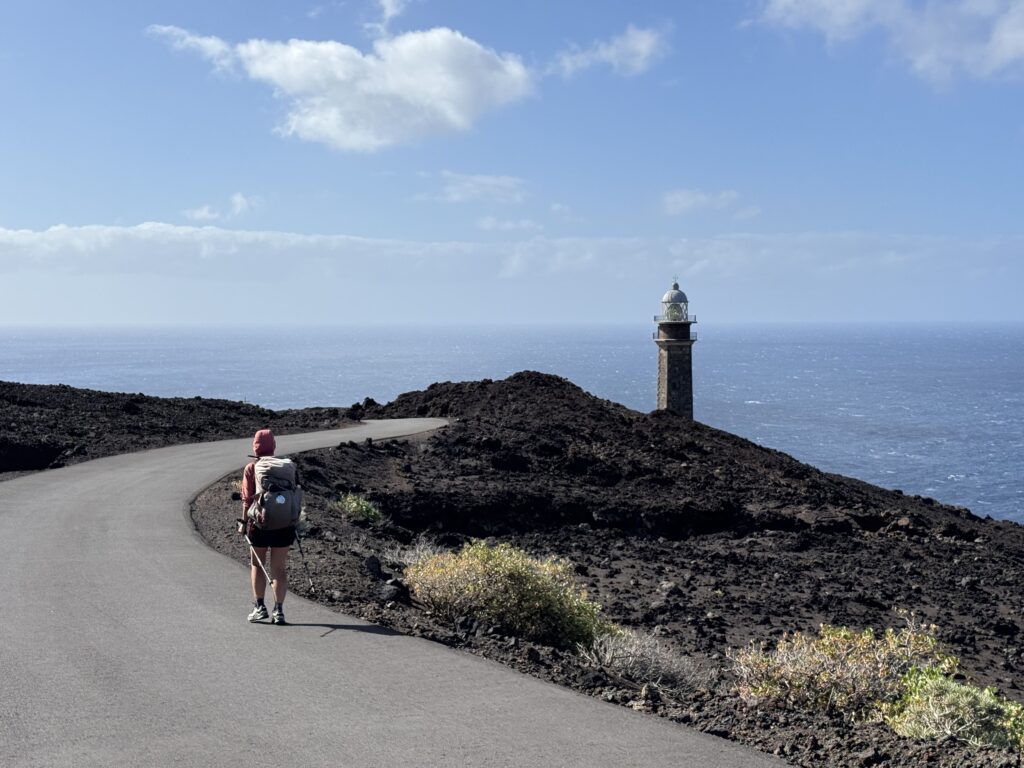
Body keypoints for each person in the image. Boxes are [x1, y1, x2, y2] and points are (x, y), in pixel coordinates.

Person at [240, 428, 296, 625]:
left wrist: (243, 524)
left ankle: (259, 607)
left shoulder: (251, 468)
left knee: (257, 564)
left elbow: (247, 501)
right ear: (273, 446)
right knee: (279, 569)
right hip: (284, 525)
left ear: (255, 447)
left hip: (260, 525)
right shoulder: (286, 467)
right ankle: (279, 611)